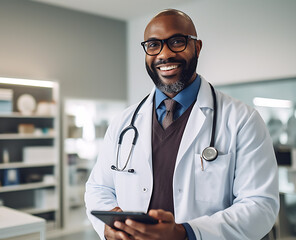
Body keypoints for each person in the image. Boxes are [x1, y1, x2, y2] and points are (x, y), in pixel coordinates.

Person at [85, 9, 279, 240]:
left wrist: (185, 233)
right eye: (153, 45)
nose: (164, 54)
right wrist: (110, 225)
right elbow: (99, 188)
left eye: (177, 42)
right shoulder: (124, 123)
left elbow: (260, 206)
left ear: (197, 47)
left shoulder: (242, 120)